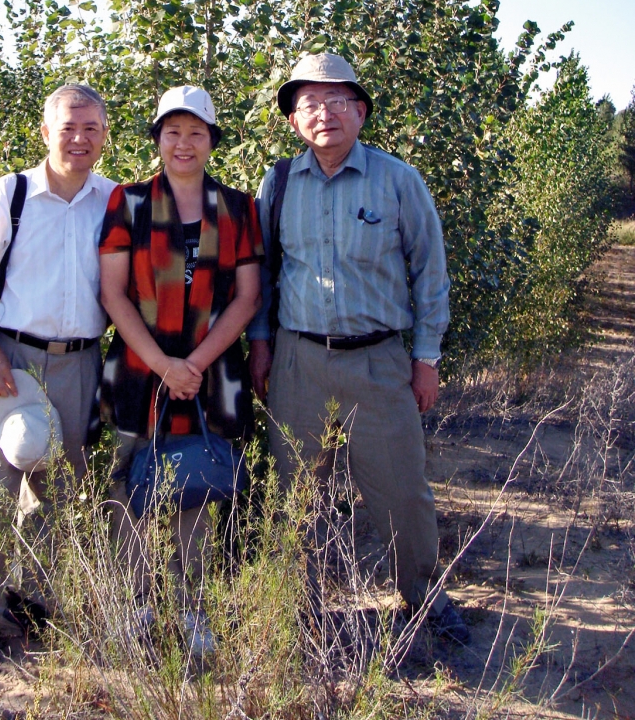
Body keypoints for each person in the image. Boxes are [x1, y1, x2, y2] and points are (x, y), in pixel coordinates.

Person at [247, 52, 470, 644]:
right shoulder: (277, 183)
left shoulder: (397, 180)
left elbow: (430, 273)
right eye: (309, 104)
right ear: (294, 121)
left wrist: (426, 358)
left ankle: (423, 594)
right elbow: (267, 273)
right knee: (292, 488)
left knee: (401, 488)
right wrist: (263, 346)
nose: (324, 114)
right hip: (298, 360)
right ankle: (296, 604)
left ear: (361, 112)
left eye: (337, 101)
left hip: (379, 360)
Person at [0, 83, 115, 675]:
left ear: (104, 134)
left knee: (55, 491)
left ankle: (28, 598)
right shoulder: (11, 194)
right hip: (11, 359)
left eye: (91, 128)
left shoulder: (112, 200)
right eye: (68, 127)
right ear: (46, 132)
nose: (80, 138)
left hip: (83, 362)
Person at [99, 85, 263, 657]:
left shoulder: (239, 208)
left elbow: (247, 298)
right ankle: (138, 606)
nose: (184, 143)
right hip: (139, 374)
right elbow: (114, 295)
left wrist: (192, 363)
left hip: (212, 374)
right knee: (132, 485)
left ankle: (192, 608)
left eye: (196, 132)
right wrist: (164, 363)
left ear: (213, 141)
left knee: (197, 485)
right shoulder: (129, 202)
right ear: (158, 140)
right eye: (173, 132)